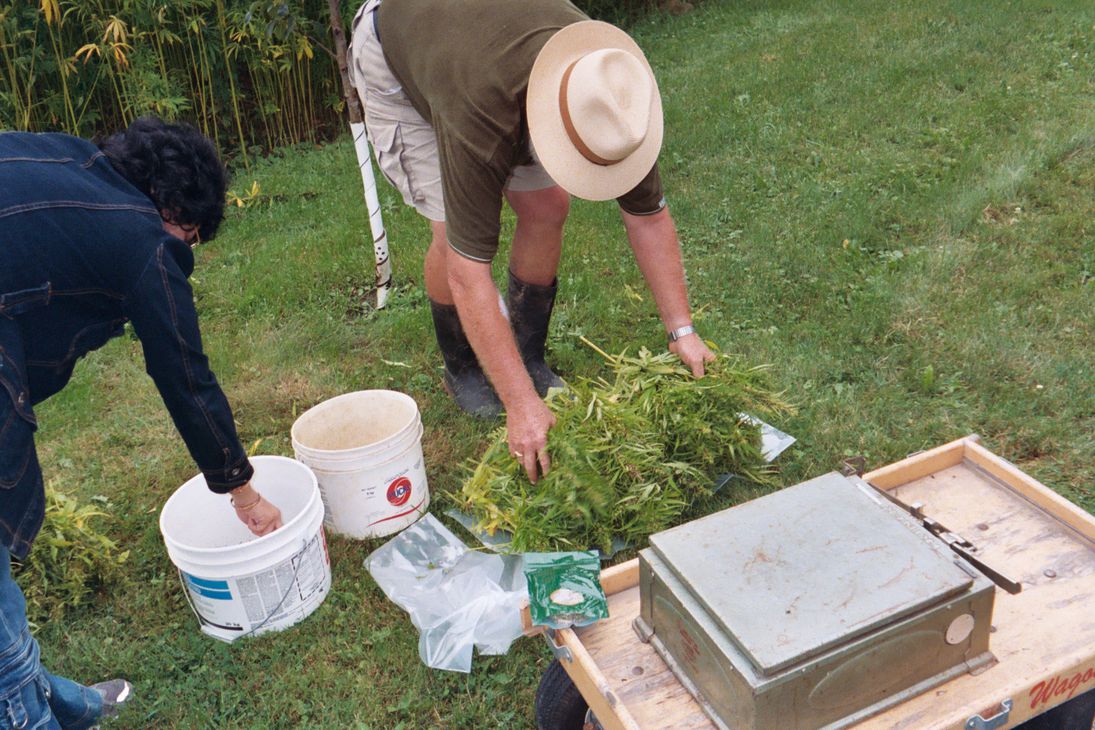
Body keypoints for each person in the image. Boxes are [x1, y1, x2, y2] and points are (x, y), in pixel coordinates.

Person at [348, 0, 715, 482]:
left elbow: (648, 218)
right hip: (402, 46)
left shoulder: (608, 86)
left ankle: (527, 354)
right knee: (450, 230)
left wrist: (682, 332)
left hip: (491, 48)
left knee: (547, 207)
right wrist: (521, 408)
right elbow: (467, 271)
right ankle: (463, 369)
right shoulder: (482, 112)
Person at [0, 117, 282, 728]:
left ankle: (57, 702)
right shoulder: (142, 238)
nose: (186, 251)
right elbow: (184, 373)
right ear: (174, 209)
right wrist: (243, 490)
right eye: (193, 237)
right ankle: (28, 709)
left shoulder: (72, 160)